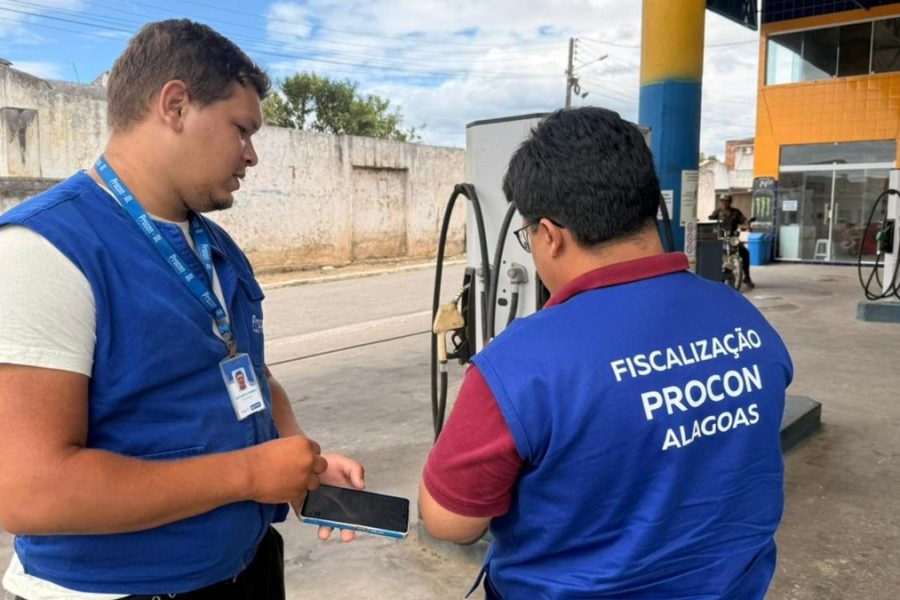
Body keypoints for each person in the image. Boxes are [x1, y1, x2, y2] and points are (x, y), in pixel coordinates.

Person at [0, 20, 364, 600]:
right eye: (242, 130)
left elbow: (249, 370)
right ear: (175, 106)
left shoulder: (215, 246)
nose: (252, 156)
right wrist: (251, 474)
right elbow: (31, 491)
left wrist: (299, 463)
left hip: (243, 567)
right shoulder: (45, 249)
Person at [419, 108, 793, 600]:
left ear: (550, 235)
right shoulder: (744, 320)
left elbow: (450, 521)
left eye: (528, 236)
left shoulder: (518, 365)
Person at [709, 193, 755, 289]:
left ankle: (747, 277)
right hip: (720, 238)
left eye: (726, 201)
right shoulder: (717, 212)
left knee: (745, 253)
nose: (724, 203)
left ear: (730, 202)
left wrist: (748, 225)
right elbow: (710, 220)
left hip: (732, 238)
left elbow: (744, 220)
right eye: (722, 201)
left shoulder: (735, 212)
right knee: (713, 254)